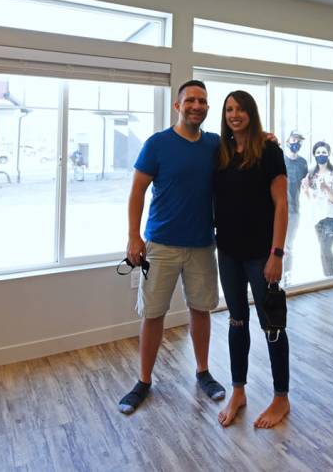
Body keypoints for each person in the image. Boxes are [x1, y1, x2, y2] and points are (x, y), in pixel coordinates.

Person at [118, 80, 227, 414]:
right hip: (161, 245)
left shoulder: (215, 144)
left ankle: (203, 372)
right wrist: (134, 236)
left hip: (202, 244)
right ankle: (143, 381)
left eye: (203, 101)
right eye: (191, 100)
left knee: (201, 309)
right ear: (178, 106)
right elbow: (137, 190)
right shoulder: (158, 144)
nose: (197, 106)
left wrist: (267, 138)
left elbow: (245, 146)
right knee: (153, 314)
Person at [212, 90, 291, 428]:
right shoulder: (220, 152)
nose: (234, 114)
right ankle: (238, 391)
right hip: (228, 253)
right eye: (229, 109)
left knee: (272, 324)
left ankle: (281, 397)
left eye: (241, 109)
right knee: (237, 321)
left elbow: (282, 204)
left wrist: (277, 254)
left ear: (251, 113)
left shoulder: (269, 151)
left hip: (262, 255)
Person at [304, 140, 333, 278]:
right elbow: (310, 198)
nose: (321, 155)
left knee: (325, 249)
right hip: (317, 218)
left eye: (324, 152)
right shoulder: (311, 174)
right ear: (314, 155)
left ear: (328, 154)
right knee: (323, 251)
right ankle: (328, 278)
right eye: (318, 152)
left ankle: (331, 278)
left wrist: (326, 188)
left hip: (331, 217)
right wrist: (306, 189)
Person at [282, 131, 308, 284]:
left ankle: (287, 278)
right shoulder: (280, 159)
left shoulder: (303, 163)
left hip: (294, 210)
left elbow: (306, 185)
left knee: (288, 247)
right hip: (277, 209)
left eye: (298, 141)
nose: (295, 144)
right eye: (293, 140)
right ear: (288, 142)